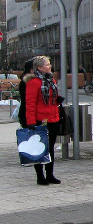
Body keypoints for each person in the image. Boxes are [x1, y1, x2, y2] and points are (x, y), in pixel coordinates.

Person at [25, 56, 61, 185]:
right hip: (40, 120)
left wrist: (58, 100)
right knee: (39, 149)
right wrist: (31, 122)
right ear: (39, 68)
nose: (50, 66)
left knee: (50, 148)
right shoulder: (33, 82)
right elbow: (29, 104)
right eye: (47, 64)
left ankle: (50, 174)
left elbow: (52, 99)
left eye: (49, 64)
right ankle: (40, 176)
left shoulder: (51, 80)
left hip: (53, 118)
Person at [17, 59, 34, 128]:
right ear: (31, 70)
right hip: (27, 114)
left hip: (25, 113)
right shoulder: (26, 82)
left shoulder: (24, 81)